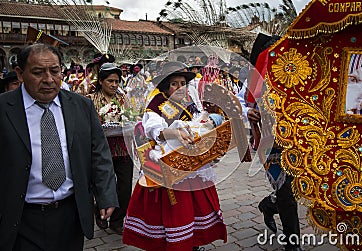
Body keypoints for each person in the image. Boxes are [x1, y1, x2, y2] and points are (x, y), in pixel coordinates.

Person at [0, 43, 118, 250]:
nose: (48, 79)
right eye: (38, 72)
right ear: (20, 74)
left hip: (71, 214)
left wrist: (106, 195)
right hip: (21, 218)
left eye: (55, 71)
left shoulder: (81, 106)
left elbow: (99, 153)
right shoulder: (4, 108)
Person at [123, 61, 227, 251]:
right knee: (176, 212)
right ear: (165, 86)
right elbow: (154, 129)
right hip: (168, 166)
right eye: (174, 83)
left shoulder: (189, 103)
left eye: (182, 83)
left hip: (192, 163)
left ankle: (192, 242)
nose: (180, 88)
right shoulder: (156, 105)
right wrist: (173, 133)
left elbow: (198, 125)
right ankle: (174, 243)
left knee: (195, 208)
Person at [238, 33, 303, 251]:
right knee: (286, 192)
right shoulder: (255, 80)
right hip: (270, 142)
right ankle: (292, 244)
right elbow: (238, 102)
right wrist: (249, 112)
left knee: (296, 189)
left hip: (298, 140)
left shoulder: (296, 74)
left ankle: (268, 204)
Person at [87, 62, 133, 235]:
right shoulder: (90, 100)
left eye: (117, 81)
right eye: (110, 81)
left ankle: (117, 220)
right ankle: (100, 211)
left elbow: (132, 119)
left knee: (124, 187)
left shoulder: (123, 99)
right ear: (100, 81)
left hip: (122, 148)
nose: (114, 85)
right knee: (103, 185)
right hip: (101, 150)